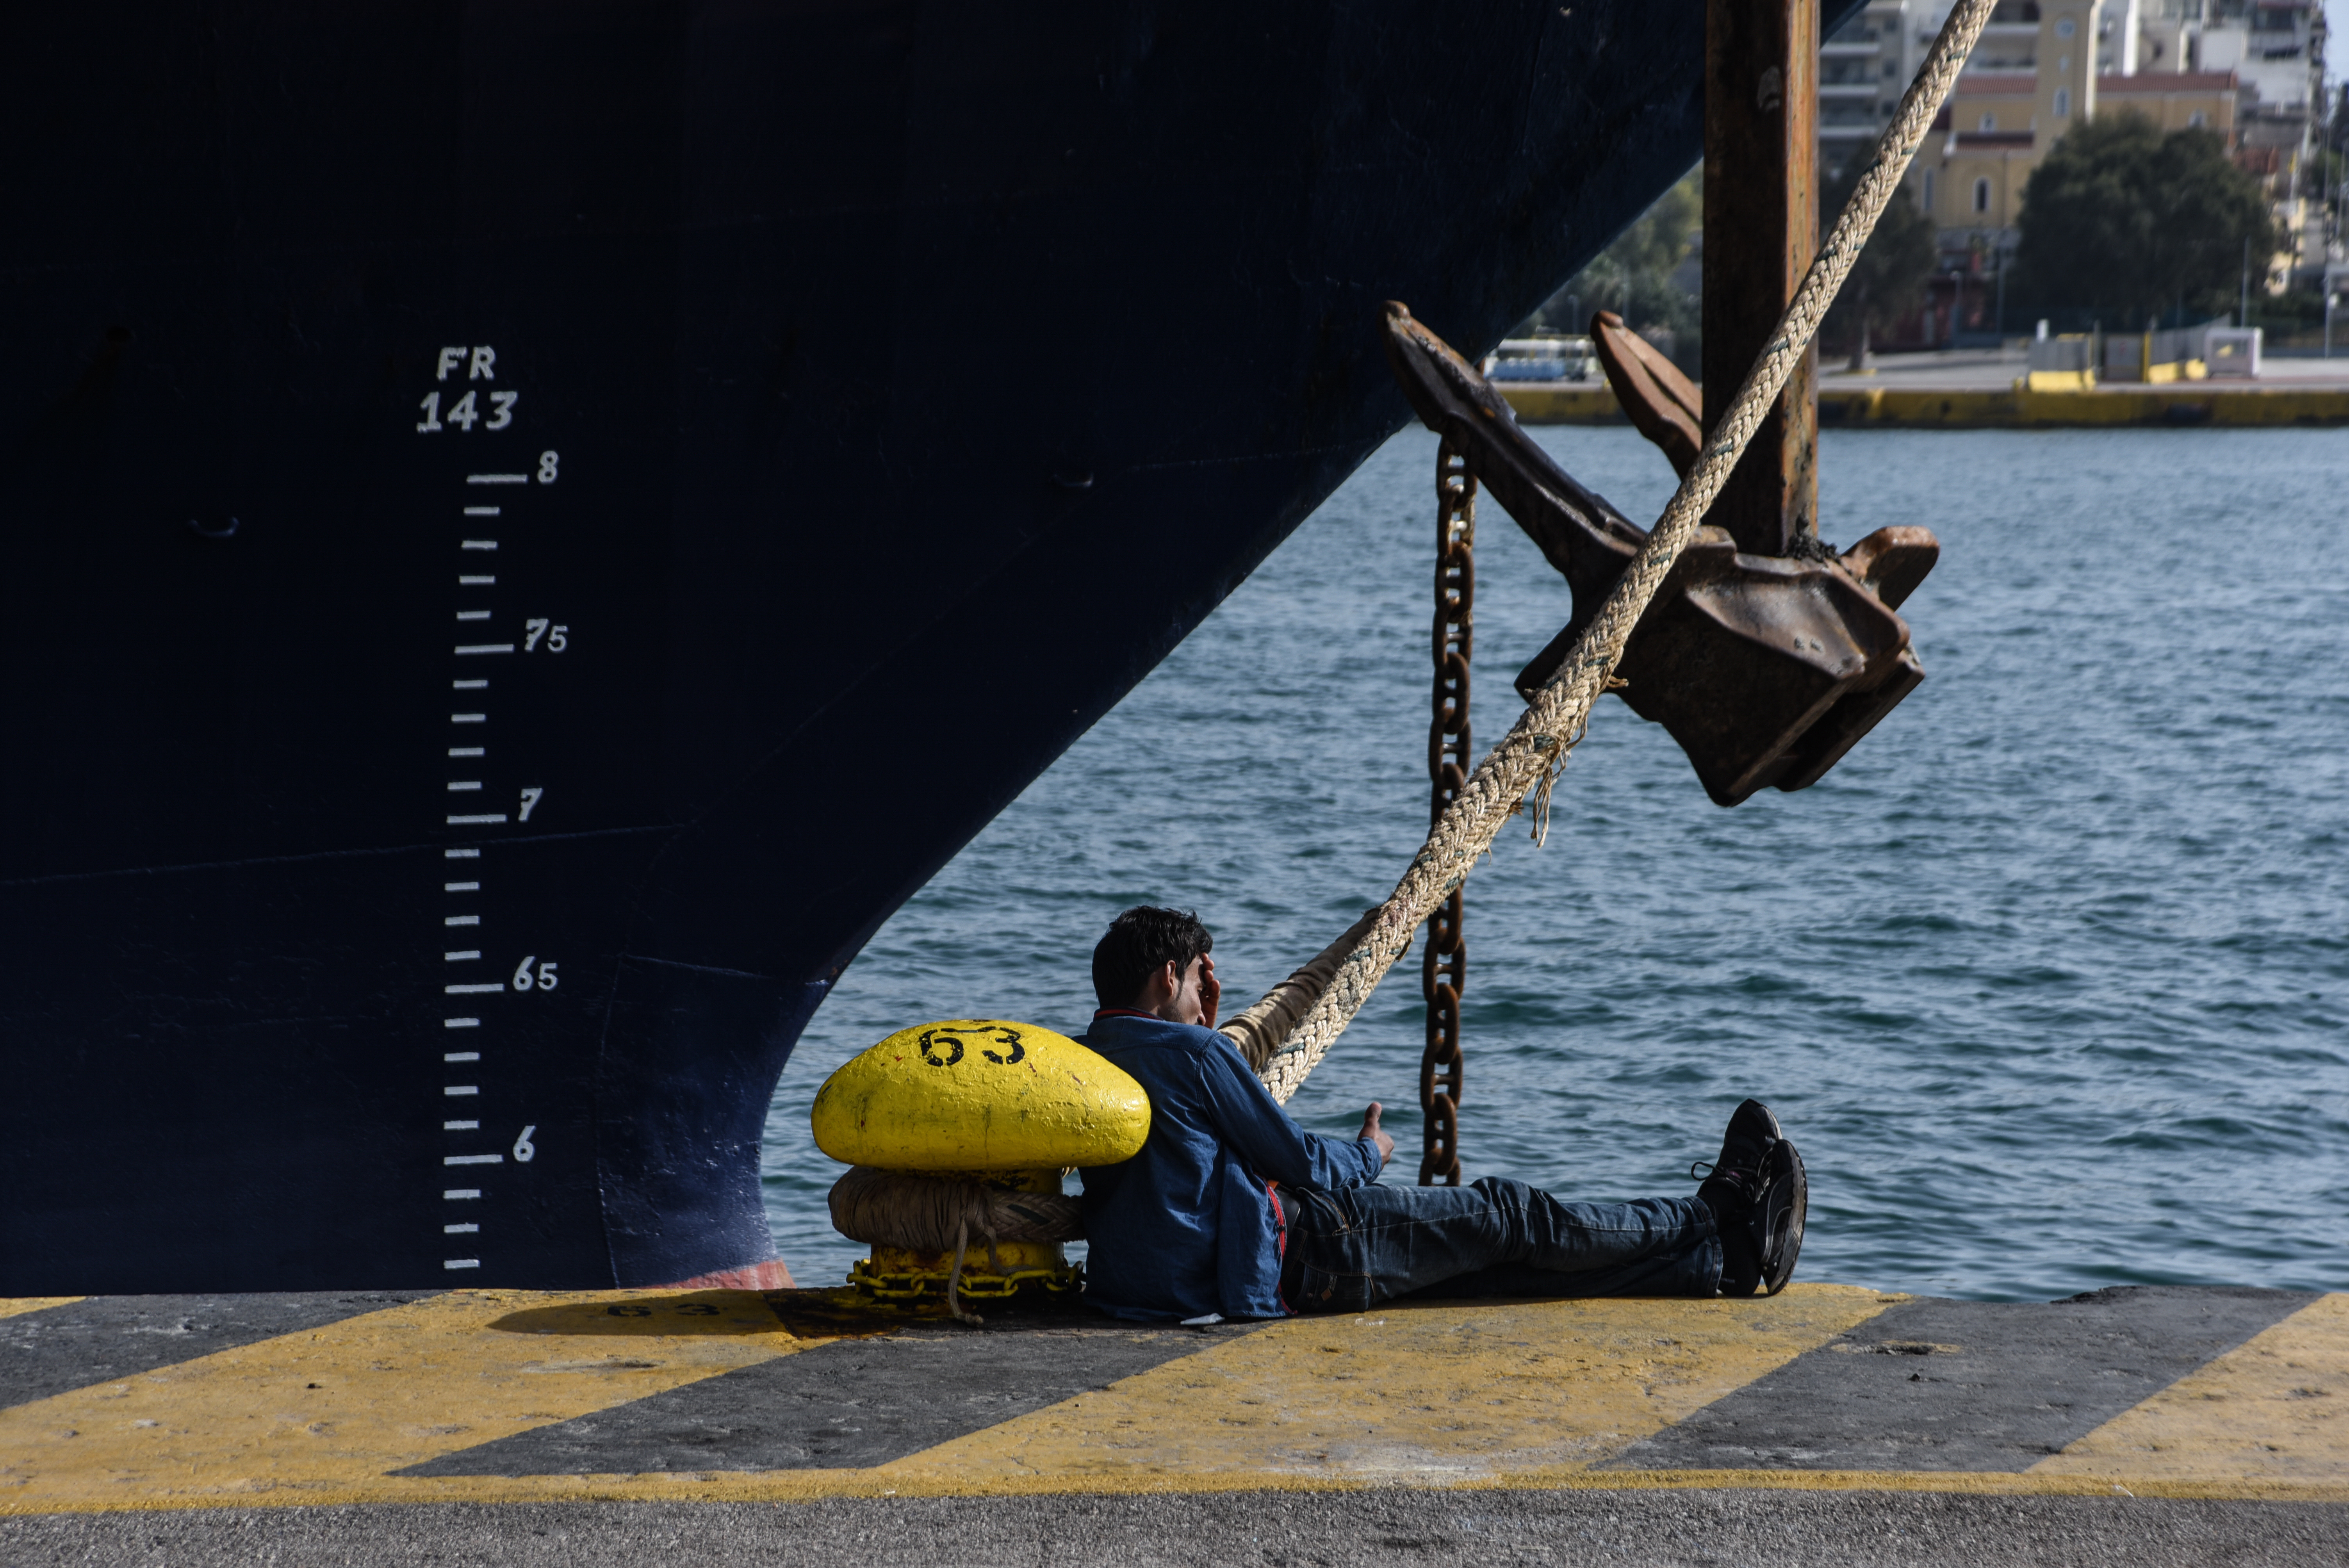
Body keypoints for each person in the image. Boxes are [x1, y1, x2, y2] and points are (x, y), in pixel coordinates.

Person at [1074, 905, 1805, 1322]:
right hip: (1312, 1250)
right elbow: (1297, 1163)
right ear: (1169, 976)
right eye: (1205, 974)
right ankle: (1712, 1211)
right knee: (1512, 1218)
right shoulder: (1194, 1057)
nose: (1217, 989)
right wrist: (1369, 1153)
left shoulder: (1085, 1060)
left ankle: (1724, 1264)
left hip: (1172, 1291)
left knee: (1497, 1279)